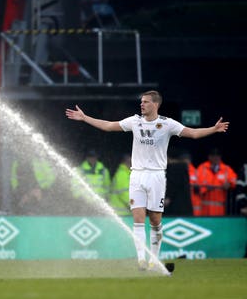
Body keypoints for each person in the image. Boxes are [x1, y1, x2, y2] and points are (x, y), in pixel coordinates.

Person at [65, 90, 229, 271]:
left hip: (156, 176)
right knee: (138, 218)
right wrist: (85, 117)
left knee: (155, 221)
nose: (142, 104)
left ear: (155, 104)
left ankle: (154, 259)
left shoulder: (167, 124)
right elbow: (109, 126)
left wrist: (213, 129)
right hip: (136, 175)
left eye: (146, 102)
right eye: (141, 102)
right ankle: (141, 260)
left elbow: (193, 133)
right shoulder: (135, 121)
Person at [196, 147, 237, 216]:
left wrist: (229, 184)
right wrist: (205, 187)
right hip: (204, 208)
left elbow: (235, 181)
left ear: (220, 157)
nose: (215, 157)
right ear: (209, 157)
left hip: (220, 208)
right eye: (213, 155)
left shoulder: (226, 169)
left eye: (217, 155)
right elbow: (195, 183)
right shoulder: (202, 168)